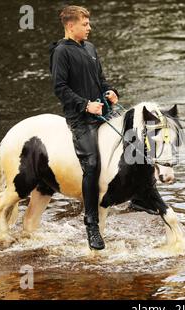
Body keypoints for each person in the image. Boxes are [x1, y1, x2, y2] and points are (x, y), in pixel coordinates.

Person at [49, 5, 119, 250]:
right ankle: (91, 225)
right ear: (70, 26)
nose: (89, 28)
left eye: (88, 23)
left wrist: (111, 92)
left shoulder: (90, 48)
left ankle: (139, 196)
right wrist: (85, 105)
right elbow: (60, 88)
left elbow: (100, 80)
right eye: (84, 24)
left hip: (102, 113)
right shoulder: (60, 52)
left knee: (133, 139)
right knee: (91, 164)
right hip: (80, 118)